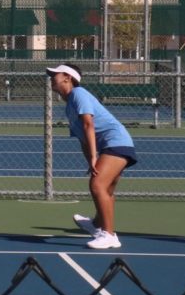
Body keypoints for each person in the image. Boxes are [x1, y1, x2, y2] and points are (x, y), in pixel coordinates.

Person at [47, 63, 138, 249]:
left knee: (97, 185)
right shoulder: (68, 107)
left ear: (68, 77)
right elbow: (83, 138)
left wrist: (96, 156)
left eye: (55, 74)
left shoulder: (78, 94)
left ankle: (108, 235)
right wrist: (91, 159)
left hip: (116, 142)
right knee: (107, 190)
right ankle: (98, 224)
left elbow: (89, 124)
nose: (51, 77)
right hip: (113, 144)